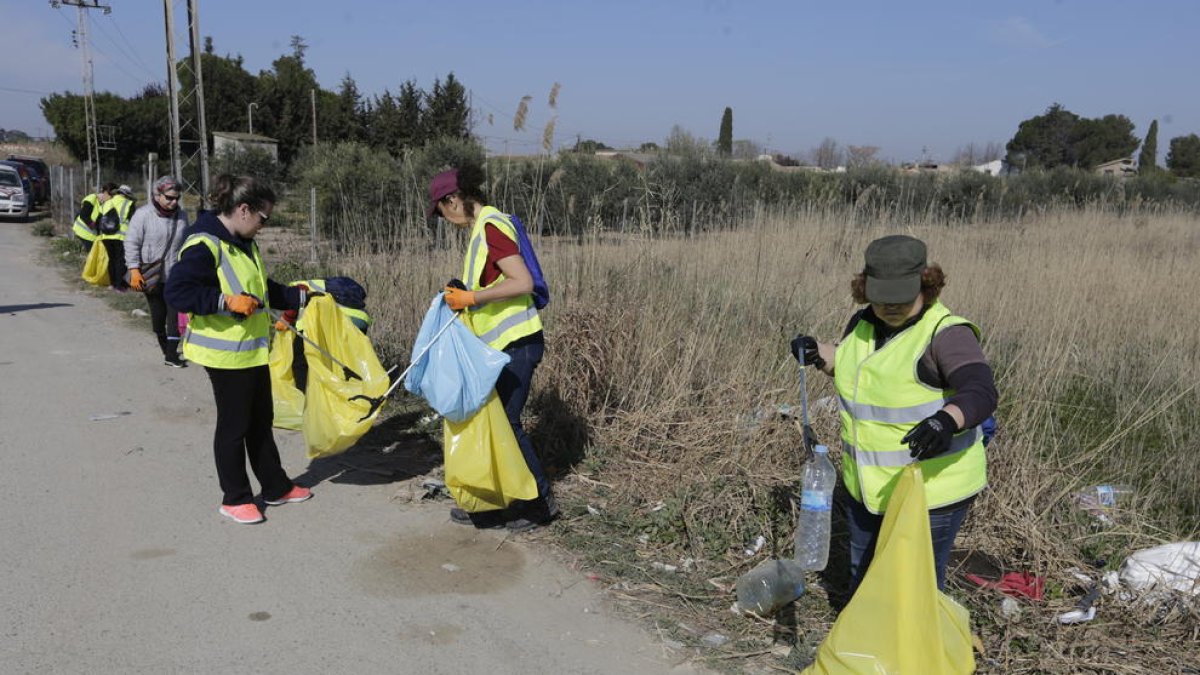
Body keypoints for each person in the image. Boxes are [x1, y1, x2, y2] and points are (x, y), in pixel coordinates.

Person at [790, 234, 997, 592]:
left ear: (927, 285)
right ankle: (865, 645)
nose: (891, 307)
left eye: (902, 298)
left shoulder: (946, 335)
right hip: (868, 489)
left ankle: (917, 650)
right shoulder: (863, 323)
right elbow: (857, 370)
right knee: (866, 577)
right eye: (882, 298)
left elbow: (980, 390)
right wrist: (818, 352)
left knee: (914, 588)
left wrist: (946, 419)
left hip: (931, 493)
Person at [165, 174, 315, 525]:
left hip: (251, 350)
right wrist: (224, 301)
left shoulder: (242, 242)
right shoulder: (204, 243)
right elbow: (178, 291)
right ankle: (235, 497)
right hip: (224, 354)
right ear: (243, 209)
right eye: (263, 218)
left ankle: (275, 487)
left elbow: (260, 291)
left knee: (261, 421)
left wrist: (299, 295)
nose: (264, 226)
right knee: (234, 426)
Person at [429, 165, 557, 533]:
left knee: (508, 424)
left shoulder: (490, 226)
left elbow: (521, 281)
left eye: (441, 210)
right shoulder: (481, 230)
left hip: (518, 344)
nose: (443, 218)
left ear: (452, 200)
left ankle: (540, 504)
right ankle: (493, 502)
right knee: (492, 423)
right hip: (501, 347)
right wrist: (463, 293)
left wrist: (473, 296)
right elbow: (492, 284)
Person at [124, 176, 189, 367]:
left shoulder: (182, 216)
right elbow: (131, 243)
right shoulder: (143, 215)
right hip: (150, 275)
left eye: (177, 198)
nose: (174, 202)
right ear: (157, 195)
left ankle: (171, 354)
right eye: (169, 197)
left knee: (174, 314)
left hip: (175, 276)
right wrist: (134, 269)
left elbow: (187, 243)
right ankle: (164, 344)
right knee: (158, 317)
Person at [274, 276, 373, 391]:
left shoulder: (296, 288)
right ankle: (362, 385)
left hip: (346, 321)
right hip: (360, 320)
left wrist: (285, 320)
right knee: (349, 358)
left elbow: (295, 306)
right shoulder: (318, 285)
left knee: (300, 360)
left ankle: (306, 395)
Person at [97, 184, 136, 290]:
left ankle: (112, 284)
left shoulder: (107, 202)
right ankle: (119, 285)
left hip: (106, 236)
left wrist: (99, 234)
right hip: (120, 236)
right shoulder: (129, 203)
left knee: (111, 260)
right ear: (127, 195)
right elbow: (133, 222)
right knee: (120, 261)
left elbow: (98, 220)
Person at [73, 183, 115, 248]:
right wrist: (93, 225)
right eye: (112, 196)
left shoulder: (103, 204)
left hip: (90, 236)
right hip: (83, 232)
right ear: (106, 193)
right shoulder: (92, 198)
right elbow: (83, 216)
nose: (112, 199)